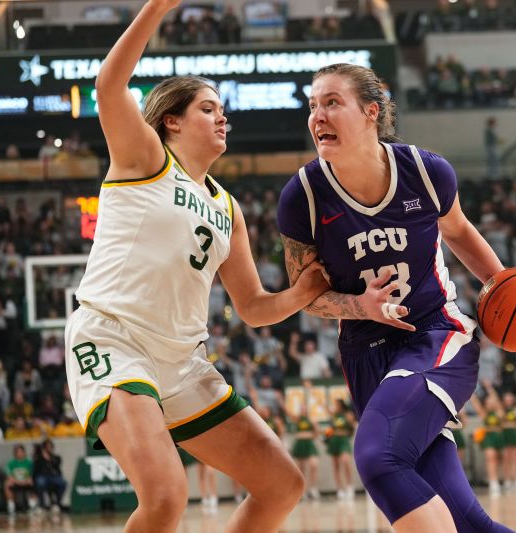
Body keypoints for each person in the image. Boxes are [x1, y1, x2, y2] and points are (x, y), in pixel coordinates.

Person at [63, 2, 329, 531]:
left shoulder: (227, 208)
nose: (222, 116)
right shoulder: (145, 159)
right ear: (172, 121)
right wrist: (157, 8)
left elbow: (253, 307)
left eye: (222, 109)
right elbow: (109, 87)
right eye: (208, 108)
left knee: (283, 485)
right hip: (114, 341)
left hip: (182, 362)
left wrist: (304, 291)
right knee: (165, 498)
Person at [277, 63, 516, 532]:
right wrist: (358, 307)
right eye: (312, 105)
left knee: (377, 458)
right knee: (468, 521)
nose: (318, 116)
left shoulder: (426, 173)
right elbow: (306, 297)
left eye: (331, 103)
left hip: (435, 336)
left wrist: (507, 294)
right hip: (365, 354)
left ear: (370, 112)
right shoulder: (302, 197)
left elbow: (461, 232)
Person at [470, 382, 505, 497]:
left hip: (499, 437)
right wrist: (469, 387)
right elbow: (475, 403)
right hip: (489, 437)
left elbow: (497, 400)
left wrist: (489, 387)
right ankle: (493, 482)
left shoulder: (499, 412)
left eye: (492, 402)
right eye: (488, 402)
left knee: (500, 459)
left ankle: (502, 480)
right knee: (490, 458)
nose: (490, 404)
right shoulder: (484, 414)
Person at [325, 398, 356, 501]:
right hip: (334, 440)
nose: (335, 406)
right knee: (336, 466)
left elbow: (352, 427)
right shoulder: (333, 415)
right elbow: (330, 429)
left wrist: (350, 422)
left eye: (336, 404)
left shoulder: (348, 414)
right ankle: (340, 489)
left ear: (341, 404)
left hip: (343, 440)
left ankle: (350, 486)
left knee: (346, 461)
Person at [290, 406, 320, 500]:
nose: (303, 410)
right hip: (300, 444)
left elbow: (316, 433)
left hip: (309, 443)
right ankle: (302, 492)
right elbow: (288, 412)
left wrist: (315, 427)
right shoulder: (297, 419)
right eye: (301, 409)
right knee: (301, 469)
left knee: (313, 465)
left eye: (304, 409)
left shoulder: (311, 420)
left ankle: (312, 488)